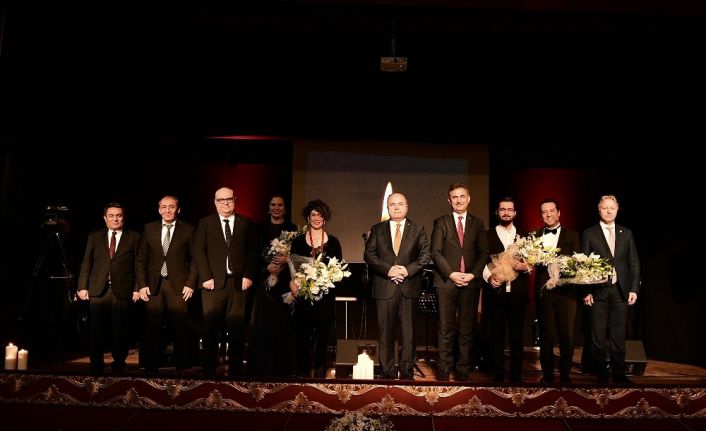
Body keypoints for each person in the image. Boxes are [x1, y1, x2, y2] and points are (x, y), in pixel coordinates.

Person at [193, 187, 259, 377]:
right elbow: (198, 251)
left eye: (229, 199)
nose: (225, 203)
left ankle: (236, 367)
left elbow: (253, 251)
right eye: (221, 200)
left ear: (235, 200)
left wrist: (248, 275)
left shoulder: (246, 223)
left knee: (237, 328)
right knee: (210, 328)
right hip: (213, 284)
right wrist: (206, 277)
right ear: (215, 202)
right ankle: (209, 367)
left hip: (238, 284)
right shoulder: (205, 223)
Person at [364, 192, 431, 380]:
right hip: (385, 287)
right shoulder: (377, 229)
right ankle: (387, 372)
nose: (396, 207)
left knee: (408, 333)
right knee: (385, 333)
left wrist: (406, 271)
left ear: (407, 207)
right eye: (392, 204)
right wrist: (389, 270)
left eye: (400, 204)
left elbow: (425, 255)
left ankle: (407, 373)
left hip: (409, 287)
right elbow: (369, 255)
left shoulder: (418, 229)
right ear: (387, 207)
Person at [431, 183, 489, 381]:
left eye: (462, 196)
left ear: (468, 199)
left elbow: (484, 253)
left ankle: (463, 369)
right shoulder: (441, 222)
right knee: (445, 328)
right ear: (449, 200)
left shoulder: (478, 223)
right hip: (446, 282)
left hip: (470, 282)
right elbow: (435, 253)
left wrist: (473, 274)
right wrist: (451, 274)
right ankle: (444, 369)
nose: (458, 200)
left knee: (466, 329)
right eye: (454, 197)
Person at [135, 195, 197, 375]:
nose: (167, 210)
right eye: (164, 207)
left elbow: (195, 260)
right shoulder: (149, 228)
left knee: (180, 328)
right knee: (152, 328)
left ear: (178, 209)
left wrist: (190, 284)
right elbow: (141, 259)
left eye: (171, 207)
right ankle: (151, 367)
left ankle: (182, 367)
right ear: (159, 209)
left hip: (179, 287)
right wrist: (142, 284)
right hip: (153, 286)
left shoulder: (188, 229)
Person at [581, 195, 640, 384]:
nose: (608, 211)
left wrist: (634, 289)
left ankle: (619, 373)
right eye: (605, 208)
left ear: (617, 209)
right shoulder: (589, 233)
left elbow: (634, 263)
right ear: (599, 210)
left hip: (621, 290)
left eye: (612, 208)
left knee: (618, 335)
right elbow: (584, 265)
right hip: (598, 290)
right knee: (597, 336)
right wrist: (586, 291)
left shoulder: (626, 233)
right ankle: (601, 372)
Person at [77, 202, 141, 374]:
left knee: (120, 330)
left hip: (122, 290)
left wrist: (137, 288)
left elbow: (139, 265)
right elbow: (86, 262)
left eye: (118, 215)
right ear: (105, 218)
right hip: (98, 290)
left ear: (123, 218)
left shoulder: (134, 237)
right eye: (111, 216)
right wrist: (82, 286)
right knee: (96, 330)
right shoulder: (94, 236)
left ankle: (119, 363)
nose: (115, 219)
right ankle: (96, 364)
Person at [289, 199, 342, 378]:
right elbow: (293, 269)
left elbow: (338, 270)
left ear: (325, 218)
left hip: (325, 299)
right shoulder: (298, 242)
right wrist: (294, 283)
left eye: (320, 214)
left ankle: (320, 374)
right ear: (308, 217)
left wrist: (325, 279)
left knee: (322, 340)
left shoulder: (333, 242)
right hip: (304, 298)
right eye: (313, 214)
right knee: (302, 338)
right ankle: (302, 373)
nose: (317, 218)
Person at [248, 195, 298, 377]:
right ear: (268, 208)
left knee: (283, 323)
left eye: (280, 205)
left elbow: (298, 255)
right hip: (263, 282)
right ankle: (261, 367)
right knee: (262, 322)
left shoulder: (293, 229)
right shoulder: (259, 229)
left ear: (284, 208)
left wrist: (287, 259)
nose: (276, 208)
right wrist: (266, 267)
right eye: (273, 205)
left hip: (284, 282)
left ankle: (282, 367)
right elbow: (253, 253)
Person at [483, 197, 531, 383]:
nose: (506, 213)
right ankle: (497, 376)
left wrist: (526, 266)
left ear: (515, 213)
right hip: (496, 294)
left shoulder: (525, 236)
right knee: (496, 337)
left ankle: (516, 376)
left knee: (517, 337)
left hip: (518, 294)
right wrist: (489, 278)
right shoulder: (487, 235)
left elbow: (532, 262)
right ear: (497, 212)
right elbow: (481, 261)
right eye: (502, 209)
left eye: (509, 209)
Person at [533, 199, 580, 384]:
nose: (548, 214)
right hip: (544, 292)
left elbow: (578, 262)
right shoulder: (535, 236)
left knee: (566, 335)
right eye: (544, 212)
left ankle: (565, 375)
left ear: (559, 213)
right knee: (546, 335)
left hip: (566, 292)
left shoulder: (573, 236)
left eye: (552, 211)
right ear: (541, 215)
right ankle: (547, 375)